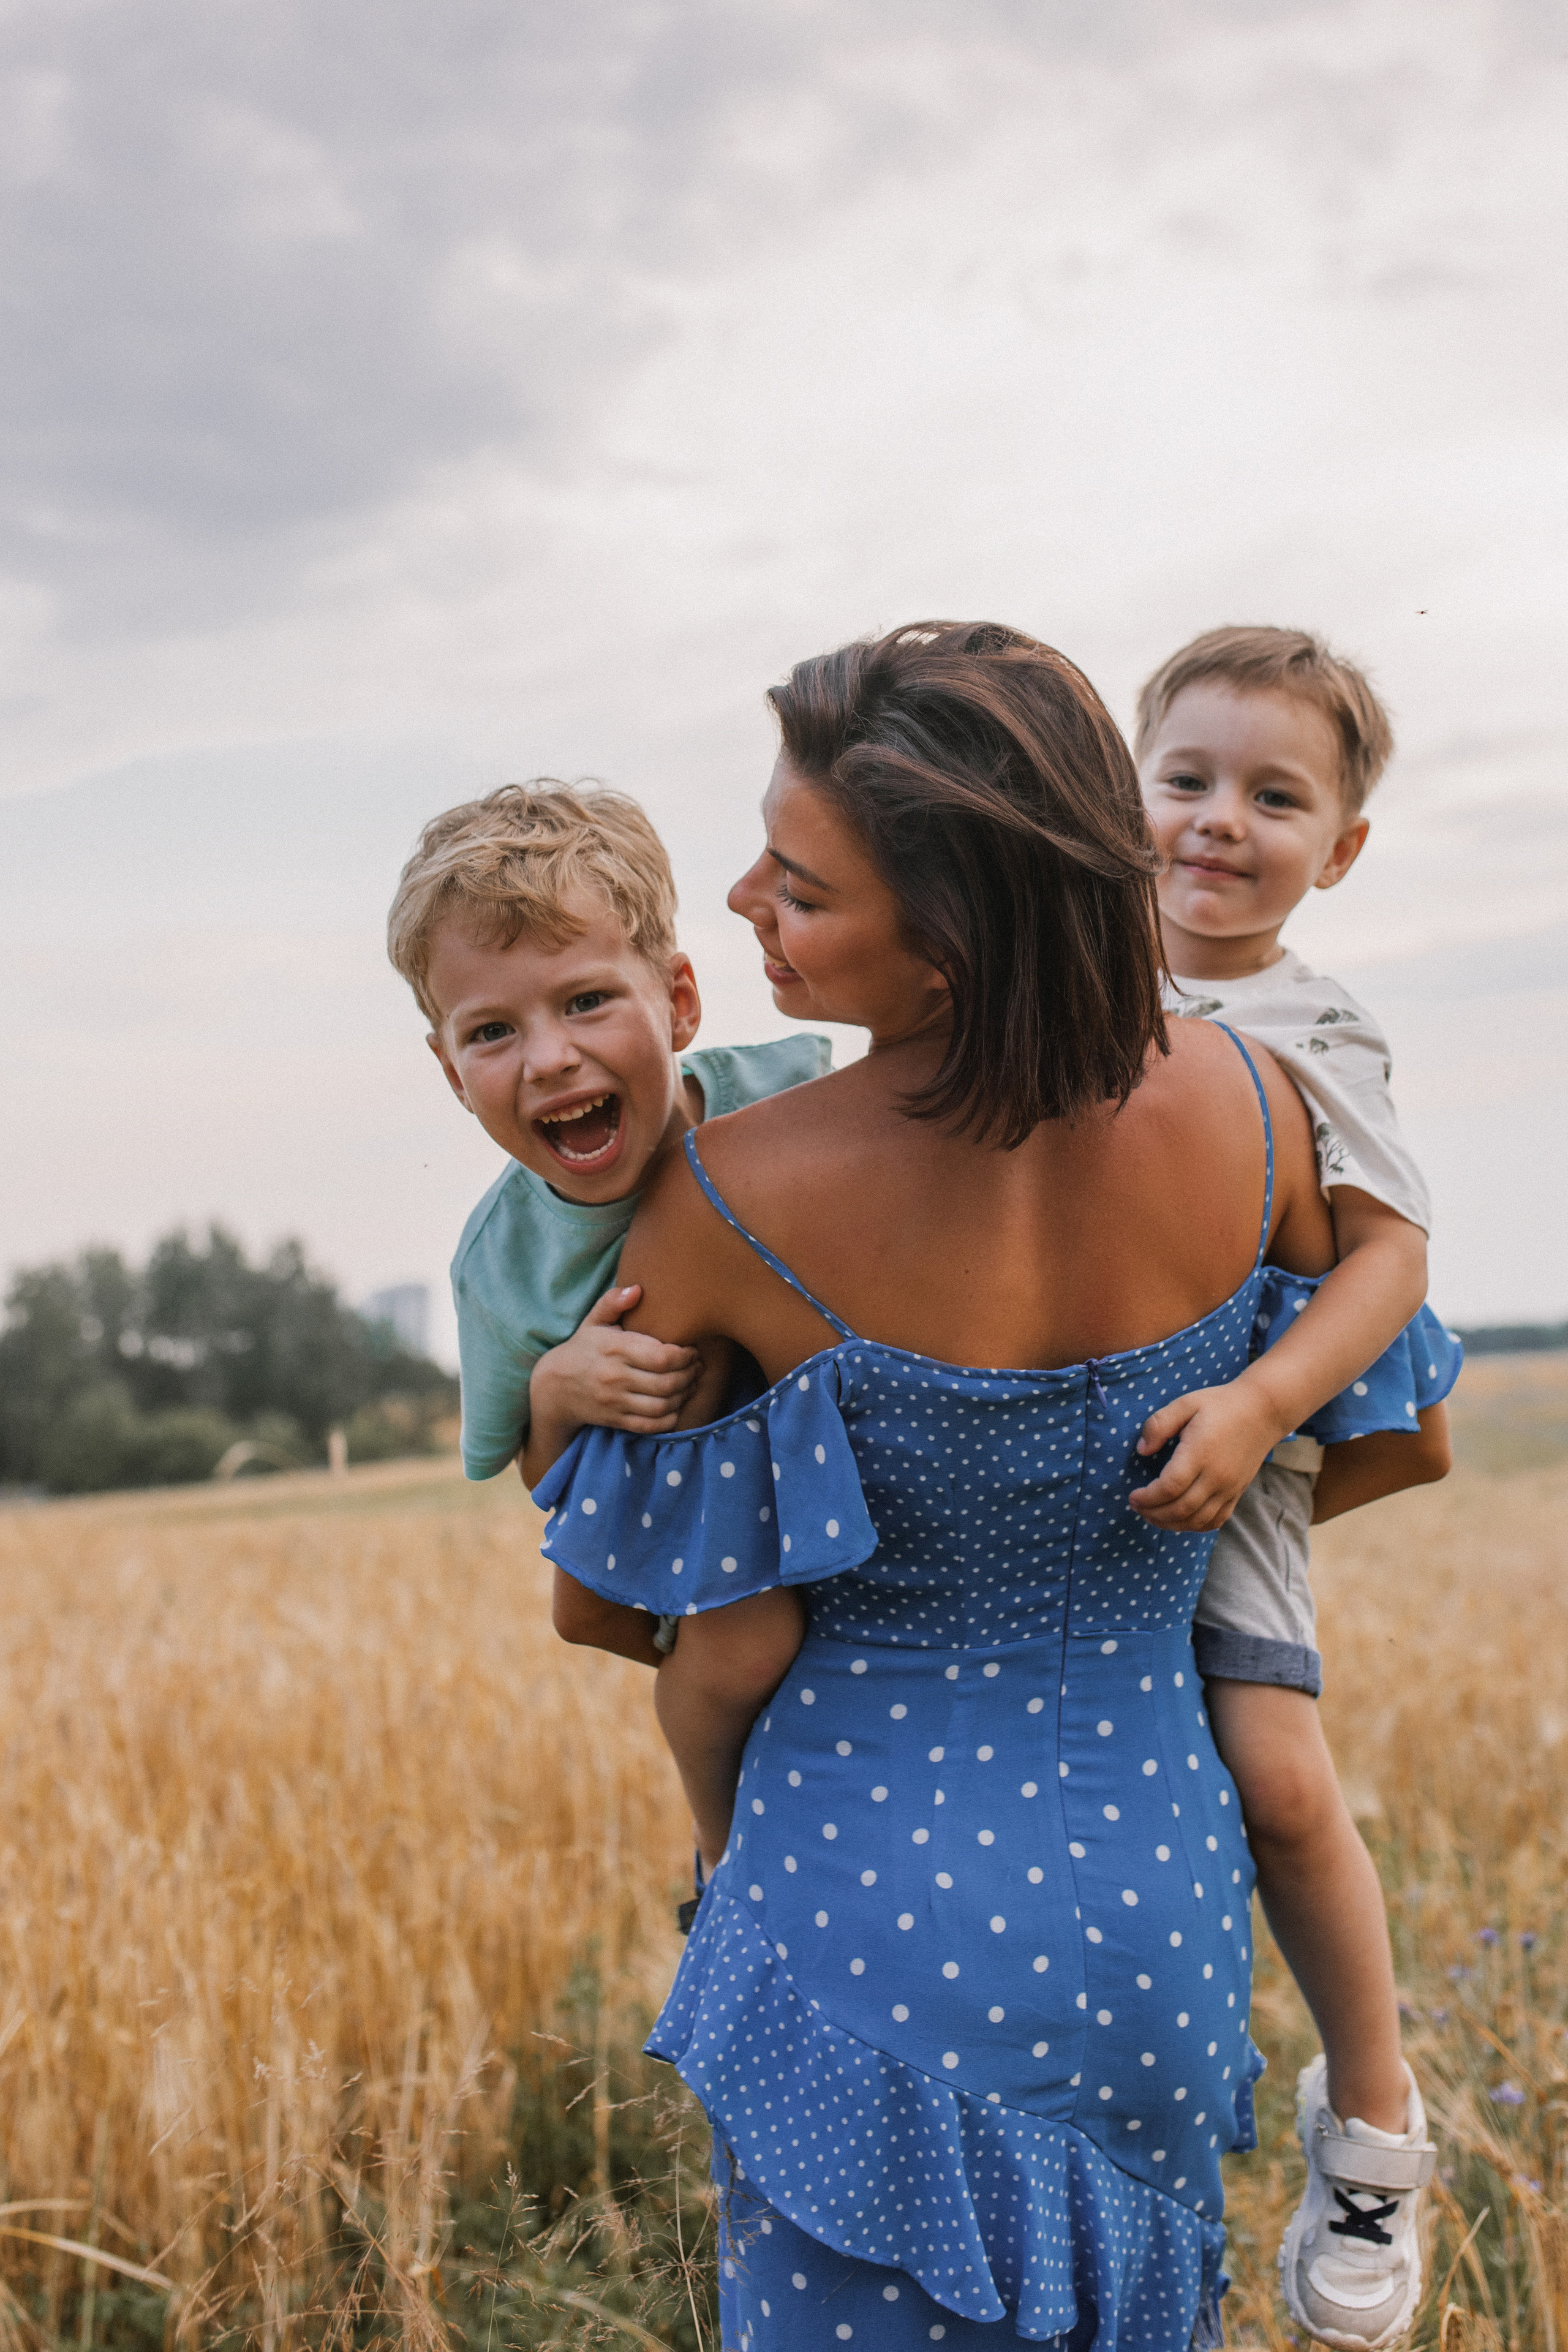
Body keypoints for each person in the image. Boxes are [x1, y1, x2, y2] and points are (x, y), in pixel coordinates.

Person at [535, 623, 1455, 2352]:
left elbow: (604, 1595)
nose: (738, 899)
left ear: (948, 946)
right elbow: (1371, 1397)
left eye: (797, 887)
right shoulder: (1260, 1115)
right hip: (1156, 1894)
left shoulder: (728, 1199)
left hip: (849, 1927)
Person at [1136, 627, 1450, 2348]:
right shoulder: (1061, 974)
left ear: (1337, 849)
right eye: (1186, 780)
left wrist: (1262, 1409)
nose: (1217, 822)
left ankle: (1375, 2124)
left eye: (1273, 797)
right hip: (1036, 1439)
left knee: (1272, 1777)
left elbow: (1392, 1257)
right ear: (1126, 797)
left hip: (1225, 1439)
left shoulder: (1316, 1021)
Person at [384, 781, 830, 1491]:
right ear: (453, 1075)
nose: (549, 1059)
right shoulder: (500, 1268)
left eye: (586, 1002)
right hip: (705, 1557)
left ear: (678, 1003)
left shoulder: (802, 1096)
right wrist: (556, 1396)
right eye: (492, 1032)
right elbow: (544, 1484)